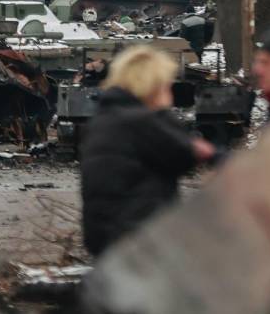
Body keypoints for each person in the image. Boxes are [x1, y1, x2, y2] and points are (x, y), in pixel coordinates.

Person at [80, 46, 215, 256]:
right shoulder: (140, 121)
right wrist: (162, 113)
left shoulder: (107, 118)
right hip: (137, 239)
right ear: (152, 85)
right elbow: (183, 155)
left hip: (109, 237)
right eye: (165, 83)